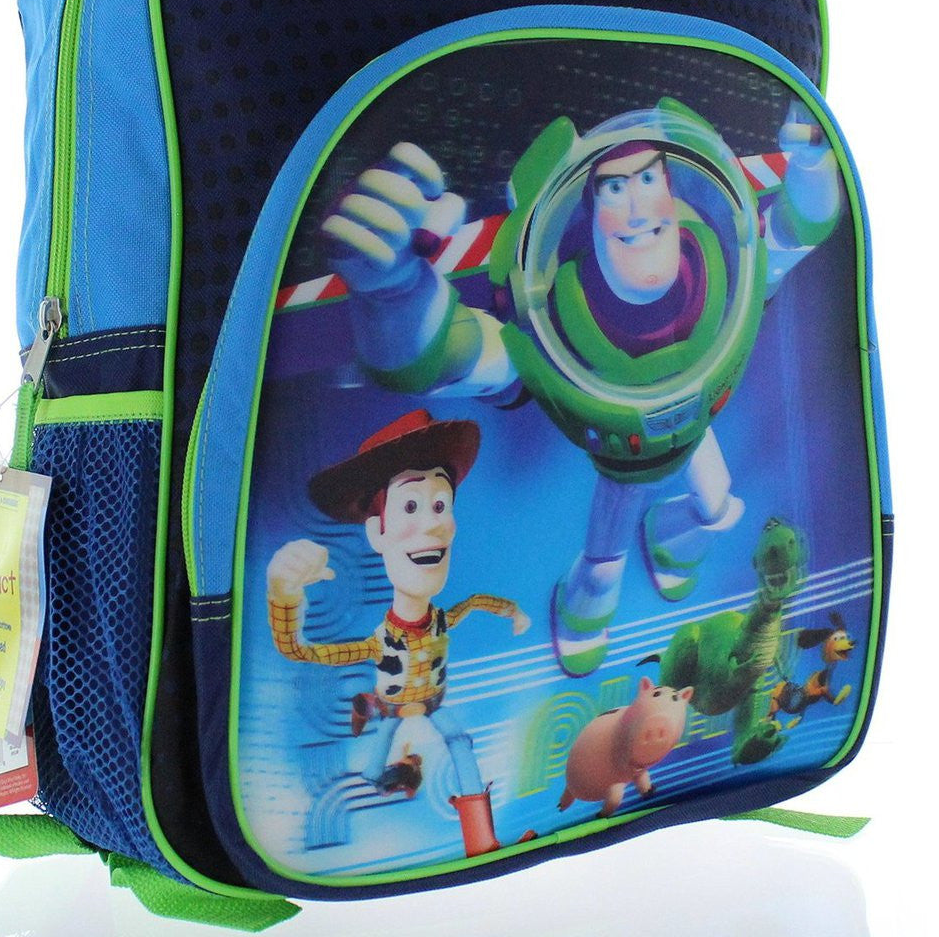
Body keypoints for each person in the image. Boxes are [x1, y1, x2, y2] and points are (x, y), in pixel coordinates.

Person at [320, 98, 841, 676]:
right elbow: (453, 357)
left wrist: (813, 165)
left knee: (718, 507)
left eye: (648, 179)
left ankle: (672, 538)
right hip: (619, 465)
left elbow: (795, 233)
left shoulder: (724, 265)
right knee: (604, 559)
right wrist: (394, 294)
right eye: (614, 188)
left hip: (695, 430)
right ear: (589, 214)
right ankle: (588, 595)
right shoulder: (551, 318)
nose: (638, 208)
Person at [267, 408, 531, 857]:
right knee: (372, 772)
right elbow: (300, 652)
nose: (432, 524)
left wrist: (513, 612)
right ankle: (383, 742)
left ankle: (482, 843)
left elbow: (475, 602)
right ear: (377, 532)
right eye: (410, 506)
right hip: (393, 707)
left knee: (460, 741)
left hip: (433, 703)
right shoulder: (380, 643)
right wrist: (283, 593)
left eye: (440, 505)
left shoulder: (441, 620)